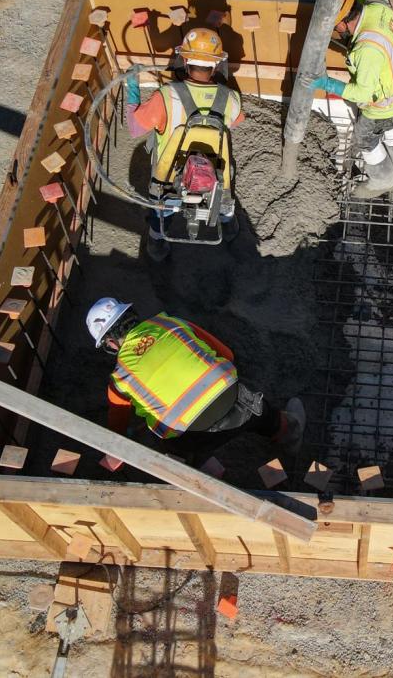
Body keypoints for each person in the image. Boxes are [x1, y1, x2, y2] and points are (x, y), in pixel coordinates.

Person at [87, 297, 305, 460]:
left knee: (162, 437)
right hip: (237, 406)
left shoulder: (119, 379)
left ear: (110, 344)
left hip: (192, 438)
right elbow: (227, 355)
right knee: (262, 413)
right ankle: (288, 433)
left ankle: (187, 468)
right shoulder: (168, 324)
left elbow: (117, 423)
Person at [126, 27, 244, 260]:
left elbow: (134, 128)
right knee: (224, 203)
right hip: (217, 178)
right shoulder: (230, 98)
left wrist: (132, 87)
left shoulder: (165, 96)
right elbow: (236, 121)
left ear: (185, 60)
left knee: (161, 210)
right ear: (217, 64)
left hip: (168, 179)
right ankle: (230, 229)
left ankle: (157, 246)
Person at [311, 0, 393, 198]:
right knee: (392, 124)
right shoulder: (377, 7)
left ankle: (384, 180)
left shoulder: (366, 49)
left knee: (364, 139)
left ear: (342, 22)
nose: (337, 31)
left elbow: (361, 95)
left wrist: (327, 84)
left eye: (335, 27)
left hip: (384, 105)